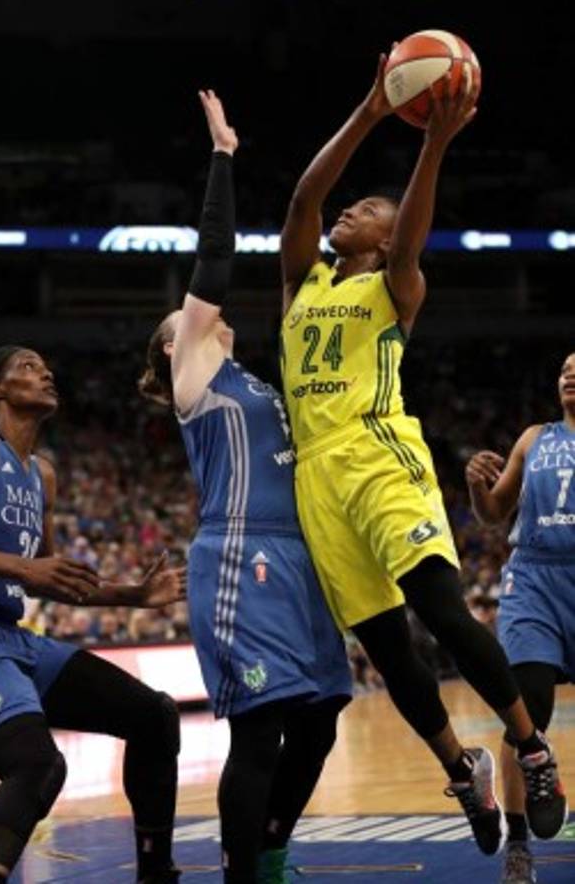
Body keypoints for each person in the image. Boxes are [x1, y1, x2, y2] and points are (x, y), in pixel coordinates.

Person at [278, 51, 567, 856]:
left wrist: (433, 142)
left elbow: (407, 237)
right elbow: (304, 196)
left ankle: (529, 748)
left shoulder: (394, 284)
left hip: (377, 452)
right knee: (385, 645)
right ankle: (458, 766)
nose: (349, 212)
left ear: (383, 236)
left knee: (440, 611)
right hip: (316, 475)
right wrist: (371, 108)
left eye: (366, 209)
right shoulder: (301, 283)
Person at [139, 90, 352, 884]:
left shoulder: (257, 384)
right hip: (239, 555)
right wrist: (224, 155)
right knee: (260, 731)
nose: (194, 316)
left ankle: (268, 847)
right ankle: (245, 873)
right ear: (170, 352)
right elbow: (216, 260)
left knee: (324, 717)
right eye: (181, 320)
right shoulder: (195, 375)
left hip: (301, 558)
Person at [0, 346, 186, 884]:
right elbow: (31, 571)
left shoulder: (43, 475)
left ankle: (157, 874)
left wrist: (133, 596)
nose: (46, 373)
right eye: (28, 367)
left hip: (10, 635)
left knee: (154, 716)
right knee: (38, 765)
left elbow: (52, 577)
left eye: (46, 367)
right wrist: (24, 569)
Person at [466, 351, 574, 883]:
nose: (570, 374)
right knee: (527, 707)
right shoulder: (535, 438)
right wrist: (474, 485)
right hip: (534, 578)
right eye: (564, 369)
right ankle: (519, 847)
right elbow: (492, 514)